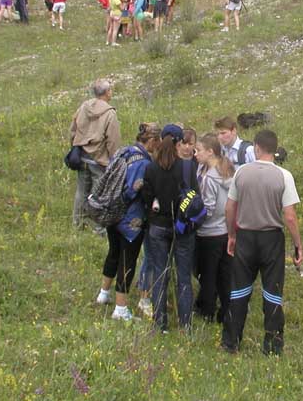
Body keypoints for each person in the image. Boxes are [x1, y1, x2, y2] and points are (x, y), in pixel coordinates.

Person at [221, 129, 302, 355]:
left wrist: (231, 234)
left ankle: (231, 341)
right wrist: (298, 245)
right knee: (272, 291)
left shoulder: (242, 172)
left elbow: (230, 207)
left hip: (245, 236)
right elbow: (289, 216)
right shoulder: (283, 175)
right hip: (271, 238)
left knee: (239, 290)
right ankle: (273, 344)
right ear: (274, 150)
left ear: (256, 147)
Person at [97, 123, 161, 321]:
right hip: (131, 219)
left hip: (112, 213)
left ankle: (103, 293)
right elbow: (135, 189)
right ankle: (121, 308)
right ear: (152, 141)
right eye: (157, 141)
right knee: (128, 261)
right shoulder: (143, 162)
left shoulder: (124, 151)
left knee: (113, 253)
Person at [141, 124, 199, 332]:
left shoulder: (151, 168)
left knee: (160, 274)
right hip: (182, 227)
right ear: (179, 143)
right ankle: (185, 324)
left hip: (158, 226)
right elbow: (194, 196)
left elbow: (147, 198)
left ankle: (160, 323)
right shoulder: (187, 167)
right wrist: (183, 214)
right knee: (183, 276)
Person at [70, 79, 121, 231]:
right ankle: (99, 228)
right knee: (98, 194)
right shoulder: (110, 113)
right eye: (110, 90)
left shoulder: (84, 107)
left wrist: (74, 147)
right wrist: (114, 161)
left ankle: (77, 223)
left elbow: (73, 130)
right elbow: (113, 141)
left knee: (81, 191)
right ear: (107, 92)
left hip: (82, 156)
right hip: (99, 160)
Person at [194, 134, 235, 323]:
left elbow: (208, 208)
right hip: (225, 231)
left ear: (210, 152)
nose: (195, 154)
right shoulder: (226, 169)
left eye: (199, 150)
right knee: (224, 275)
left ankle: (207, 311)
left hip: (209, 232)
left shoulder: (210, 177)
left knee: (208, 274)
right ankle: (226, 311)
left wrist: (195, 222)